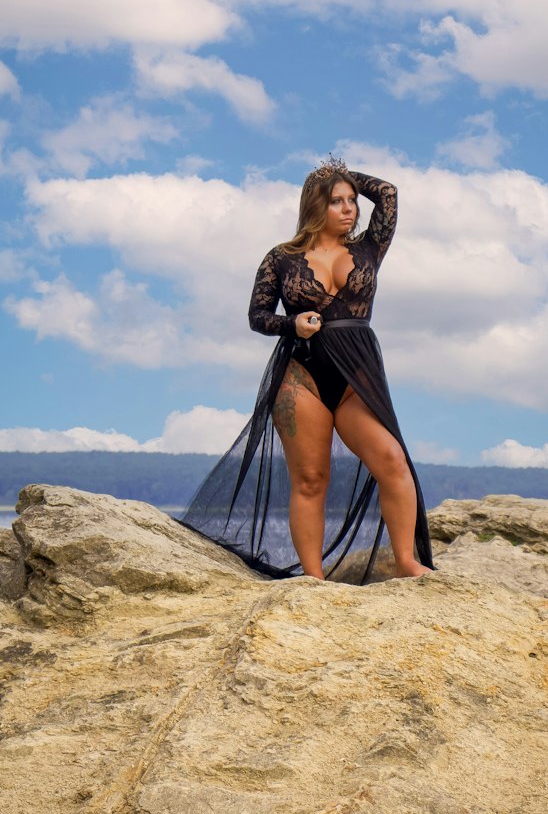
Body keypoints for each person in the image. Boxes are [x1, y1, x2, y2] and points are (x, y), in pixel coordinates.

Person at [180, 156, 435, 582]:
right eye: (337, 201)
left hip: (357, 375)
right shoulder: (281, 258)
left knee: (392, 461)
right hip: (302, 376)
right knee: (311, 479)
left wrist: (341, 174)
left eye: (352, 200)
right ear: (316, 206)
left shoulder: (368, 247)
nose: (349, 208)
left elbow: (387, 193)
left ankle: (407, 563)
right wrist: (291, 323)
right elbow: (257, 316)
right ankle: (313, 579)